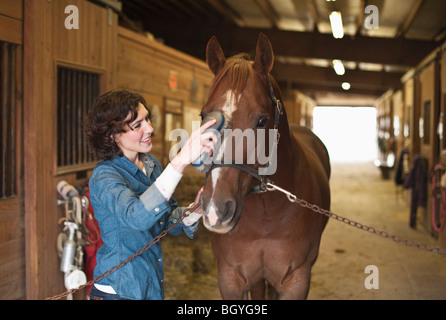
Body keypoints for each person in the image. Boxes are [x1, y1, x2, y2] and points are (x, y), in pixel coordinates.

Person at [84, 89, 216, 300]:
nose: (150, 128)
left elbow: (164, 220)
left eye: (147, 119)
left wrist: (195, 210)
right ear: (112, 135)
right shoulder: (104, 177)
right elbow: (137, 217)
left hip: (151, 284)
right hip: (119, 290)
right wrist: (181, 160)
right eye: (137, 125)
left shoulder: (150, 163)